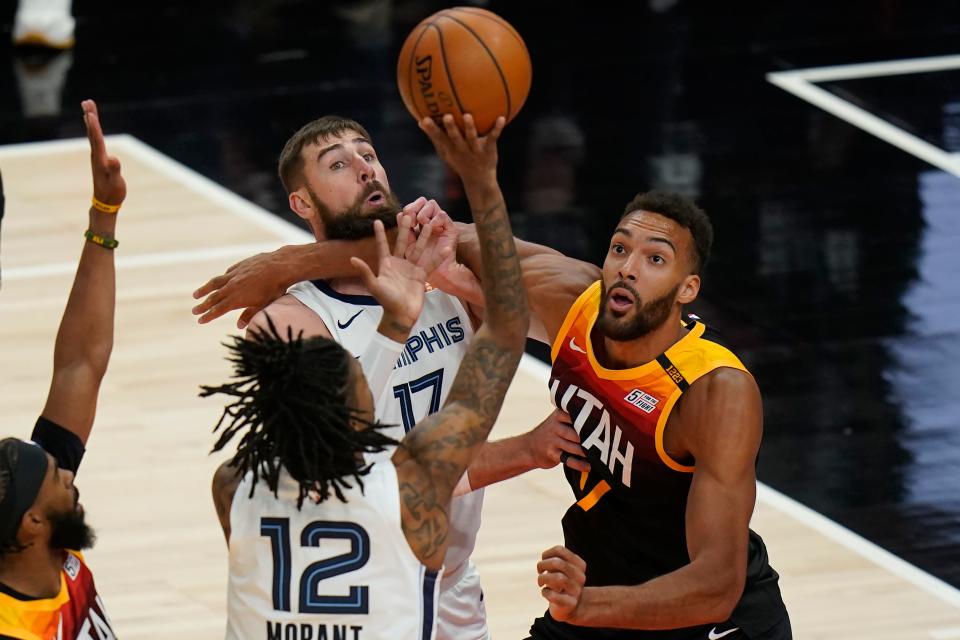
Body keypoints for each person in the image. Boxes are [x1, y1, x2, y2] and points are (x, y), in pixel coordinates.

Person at [192, 186, 791, 638]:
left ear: (688, 288)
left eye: (655, 259)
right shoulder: (571, 301)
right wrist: (286, 265)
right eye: (618, 248)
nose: (628, 266)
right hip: (594, 581)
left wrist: (588, 606)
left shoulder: (715, 391)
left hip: (706, 622)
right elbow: (437, 236)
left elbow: (717, 584)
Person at [194, 113, 588, 640]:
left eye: (368, 153)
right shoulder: (288, 322)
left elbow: (572, 311)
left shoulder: (448, 285)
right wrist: (528, 448)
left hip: (449, 583)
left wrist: (462, 276)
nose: (364, 168)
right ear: (302, 204)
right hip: (369, 592)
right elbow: (363, 467)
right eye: (338, 163)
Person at [0, 100, 124, 638]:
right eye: (57, 477)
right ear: (33, 524)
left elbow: (81, 364)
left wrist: (103, 214)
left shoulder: (44, 536)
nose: (70, 474)